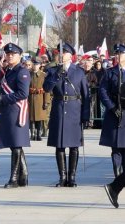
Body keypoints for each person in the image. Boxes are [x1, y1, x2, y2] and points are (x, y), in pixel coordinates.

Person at [43, 42, 90, 187]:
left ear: (70, 55)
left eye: (64, 53)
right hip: (58, 109)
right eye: (59, 53)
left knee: (74, 146)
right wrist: (57, 74)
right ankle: (62, 177)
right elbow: (46, 88)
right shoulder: (52, 71)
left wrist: (85, 116)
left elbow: (86, 95)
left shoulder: (79, 72)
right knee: (60, 145)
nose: (61, 55)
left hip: (74, 110)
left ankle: (72, 177)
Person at [0, 43, 31, 188]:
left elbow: (23, 93)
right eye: (8, 54)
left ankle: (14, 178)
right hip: (8, 111)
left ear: (19, 56)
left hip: (17, 111)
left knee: (16, 145)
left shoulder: (22, 71)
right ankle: (24, 175)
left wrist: (3, 99)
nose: (10, 56)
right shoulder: (8, 71)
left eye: (13, 54)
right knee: (14, 145)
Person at [100, 44, 125, 178]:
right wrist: (112, 107)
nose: (118, 56)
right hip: (114, 113)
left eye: (120, 53)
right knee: (115, 147)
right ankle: (117, 174)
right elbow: (103, 92)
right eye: (116, 53)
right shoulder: (110, 72)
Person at [29, 57, 50, 141]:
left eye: (37, 64)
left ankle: (38, 134)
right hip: (30, 98)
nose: (35, 66)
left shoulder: (43, 75)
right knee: (31, 118)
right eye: (34, 64)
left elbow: (47, 89)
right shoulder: (28, 74)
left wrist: (46, 101)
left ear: (40, 65)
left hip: (40, 99)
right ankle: (32, 133)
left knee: (39, 118)